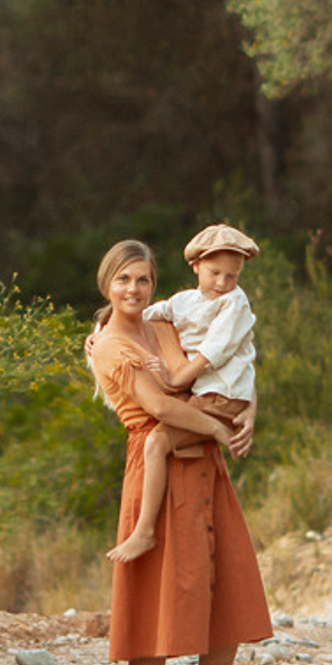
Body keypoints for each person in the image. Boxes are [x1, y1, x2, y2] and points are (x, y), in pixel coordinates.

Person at [87, 239, 273, 665]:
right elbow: (165, 406)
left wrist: (247, 412)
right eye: (124, 280)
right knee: (150, 617)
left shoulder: (164, 324)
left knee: (229, 604)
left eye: (143, 280)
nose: (135, 290)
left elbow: (228, 364)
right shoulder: (110, 345)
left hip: (206, 471)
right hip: (158, 473)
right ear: (107, 284)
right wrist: (219, 427)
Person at [107, 223, 260, 565]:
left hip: (221, 394)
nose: (222, 284)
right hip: (207, 394)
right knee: (161, 443)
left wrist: (177, 379)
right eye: (214, 273)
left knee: (157, 443)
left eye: (232, 276)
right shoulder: (184, 301)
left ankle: (145, 530)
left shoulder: (235, 304)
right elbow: (145, 315)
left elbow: (214, 351)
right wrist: (102, 328)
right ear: (196, 266)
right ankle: (149, 528)